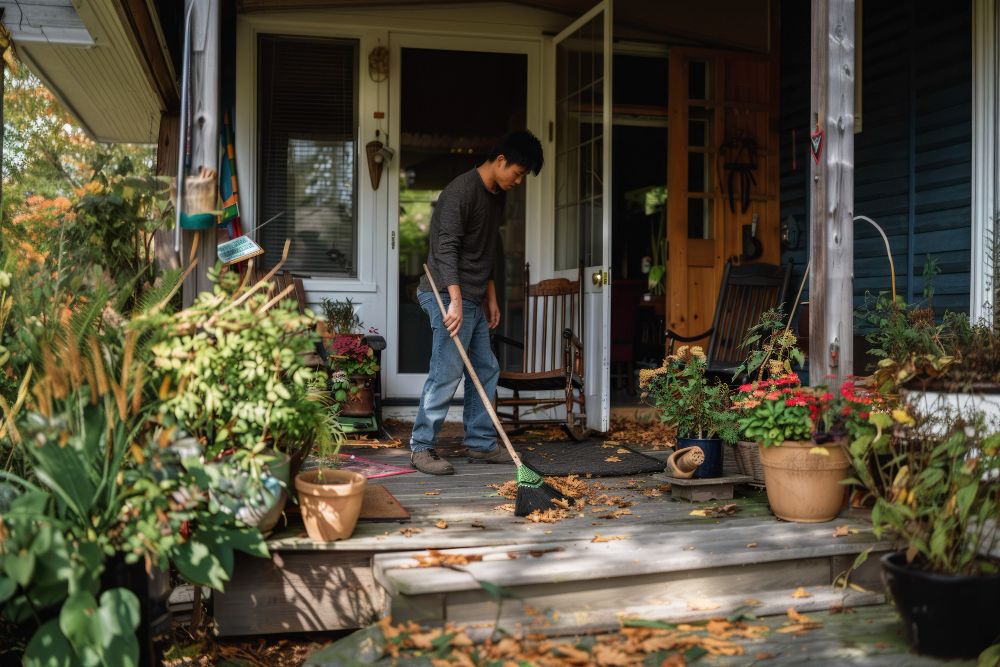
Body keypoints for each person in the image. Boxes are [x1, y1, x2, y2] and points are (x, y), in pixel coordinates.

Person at [409, 130, 544, 475]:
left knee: (485, 368)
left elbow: (487, 251)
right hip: (444, 291)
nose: (518, 180)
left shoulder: (496, 194)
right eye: (518, 172)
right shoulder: (460, 191)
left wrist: (492, 299)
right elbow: (446, 249)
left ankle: (481, 444)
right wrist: (454, 300)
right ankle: (421, 447)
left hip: (471, 294)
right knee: (447, 370)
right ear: (500, 161)